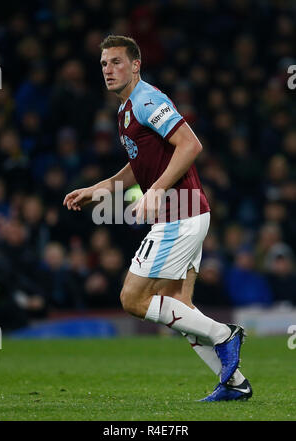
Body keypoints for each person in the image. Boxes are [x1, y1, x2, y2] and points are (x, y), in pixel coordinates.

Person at [63, 35, 252, 402]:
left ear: (136, 65)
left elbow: (190, 145)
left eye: (117, 62)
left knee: (133, 298)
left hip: (180, 211)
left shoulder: (148, 100)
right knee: (179, 307)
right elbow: (135, 170)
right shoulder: (124, 112)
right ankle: (235, 384)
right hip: (187, 211)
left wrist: (157, 190)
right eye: (103, 64)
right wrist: (96, 190)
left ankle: (224, 335)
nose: (108, 69)